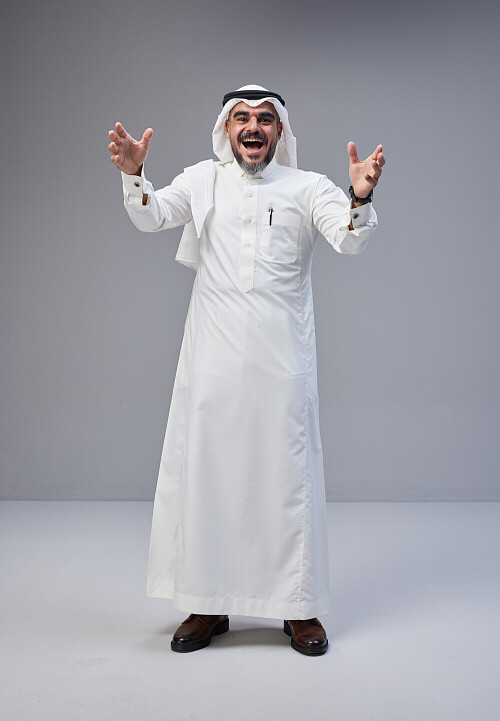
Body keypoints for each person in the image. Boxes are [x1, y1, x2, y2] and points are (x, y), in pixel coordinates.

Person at [108, 84, 385, 656]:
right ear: (227, 129)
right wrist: (135, 175)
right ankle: (207, 603)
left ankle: (298, 607)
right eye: (241, 118)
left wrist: (359, 196)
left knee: (287, 481)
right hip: (212, 361)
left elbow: (349, 240)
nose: (252, 127)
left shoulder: (309, 187)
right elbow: (153, 216)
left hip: (283, 363)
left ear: (279, 130)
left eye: (264, 118)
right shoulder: (200, 179)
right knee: (210, 478)